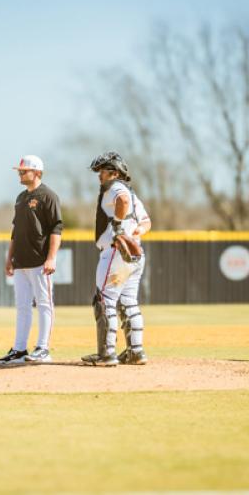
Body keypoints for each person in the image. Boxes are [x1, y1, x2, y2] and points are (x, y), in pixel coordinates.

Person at [82, 151, 151, 366]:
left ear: (113, 173)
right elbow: (147, 223)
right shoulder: (133, 194)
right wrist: (133, 234)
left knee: (104, 300)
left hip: (115, 251)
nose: (99, 176)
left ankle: (106, 354)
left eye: (102, 171)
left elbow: (121, 201)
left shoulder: (115, 188)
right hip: (134, 253)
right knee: (128, 302)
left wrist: (120, 229)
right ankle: (136, 351)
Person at [0, 155, 63, 365]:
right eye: (20, 171)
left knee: (44, 304)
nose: (20, 174)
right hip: (20, 260)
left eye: (24, 171)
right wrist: (9, 258)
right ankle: (19, 349)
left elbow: (56, 228)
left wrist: (51, 258)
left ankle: (43, 347)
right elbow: (15, 230)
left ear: (38, 173)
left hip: (40, 259)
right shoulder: (20, 198)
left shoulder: (48, 196)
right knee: (22, 306)